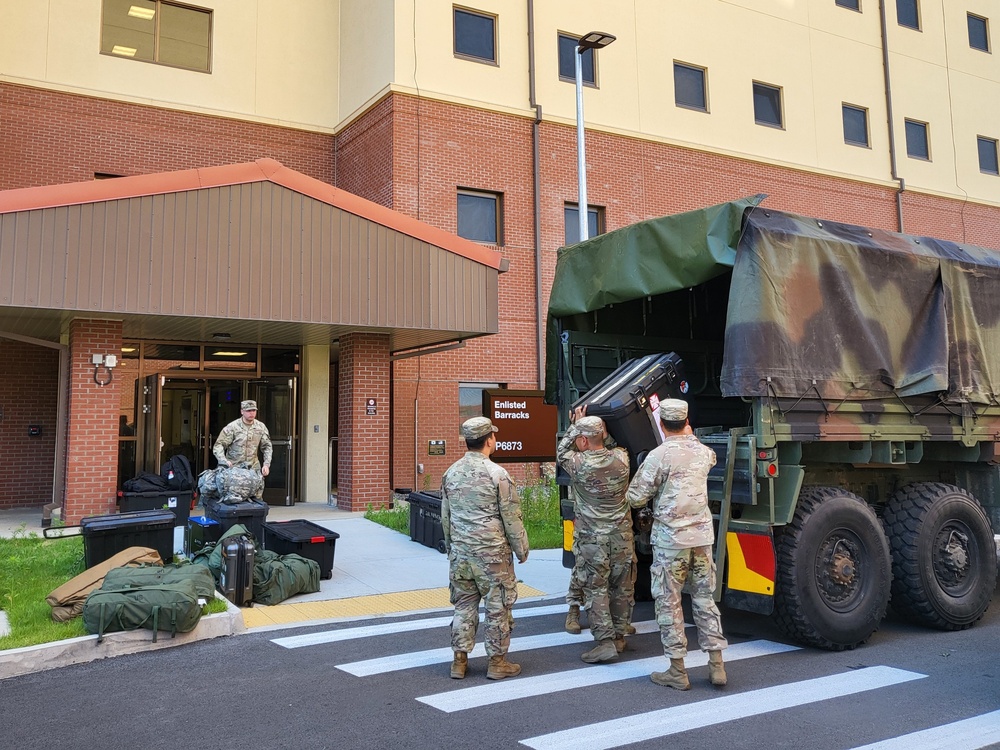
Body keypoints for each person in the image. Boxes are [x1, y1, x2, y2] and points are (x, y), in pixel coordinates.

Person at [625, 398, 728, 690]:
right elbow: (708, 457)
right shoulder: (704, 452)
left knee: (670, 603)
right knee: (705, 600)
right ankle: (716, 665)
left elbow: (635, 497)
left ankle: (677, 670)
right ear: (686, 420)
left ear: (661, 424)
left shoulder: (659, 456)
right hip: (702, 539)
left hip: (671, 541)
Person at [441, 416, 529, 681]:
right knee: (497, 607)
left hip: (461, 554)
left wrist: (451, 546)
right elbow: (511, 517)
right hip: (492, 556)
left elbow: (446, 515)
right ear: (489, 440)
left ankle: (459, 661)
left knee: (464, 605)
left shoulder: (451, 472)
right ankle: (497, 662)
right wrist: (521, 548)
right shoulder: (498, 474)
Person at [557, 409, 634, 662]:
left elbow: (561, 452)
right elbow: (610, 444)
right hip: (621, 536)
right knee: (622, 587)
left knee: (596, 589)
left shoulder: (578, 464)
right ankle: (620, 637)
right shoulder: (622, 458)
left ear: (583, 441)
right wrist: (596, 429)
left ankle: (605, 642)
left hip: (592, 539)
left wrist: (575, 426)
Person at [213, 399, 273, 478]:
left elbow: (267, 447)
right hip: (234, 470)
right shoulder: (232, 427)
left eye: (254, 410)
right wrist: (224, 461)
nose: (252, 413)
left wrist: (266, 465)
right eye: (248, 411)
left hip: (253, 470)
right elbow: (219, 445)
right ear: (242, 411)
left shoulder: (260, 427)